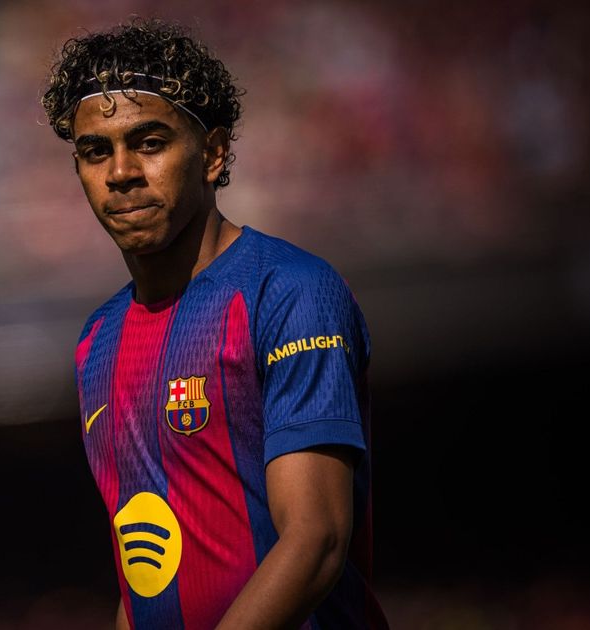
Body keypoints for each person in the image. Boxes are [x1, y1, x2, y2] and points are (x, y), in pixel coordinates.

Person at [42, 20, 390, 630]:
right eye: (97, 151)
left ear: (212, 154)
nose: (120, 172)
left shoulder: (288, 293)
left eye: (149, 142)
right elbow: (141, 582)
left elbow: (316, 541)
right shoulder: (97, 342)